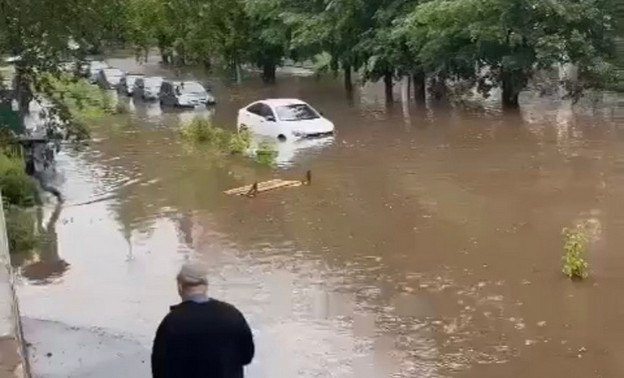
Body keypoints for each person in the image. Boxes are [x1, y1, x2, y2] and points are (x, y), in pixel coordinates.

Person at [152, 262, 255, 378]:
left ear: (180, 286)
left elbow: (159, 370)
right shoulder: (232, 315)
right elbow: (246, 357)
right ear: (206, 285)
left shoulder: (171, 323)